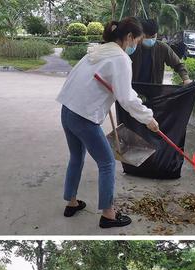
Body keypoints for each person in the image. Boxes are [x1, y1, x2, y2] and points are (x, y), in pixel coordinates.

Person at [57, 17, 159, 229]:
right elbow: (127, 98)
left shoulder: (97, 52)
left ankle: (72, 203)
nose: (135, 46)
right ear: (129, 37)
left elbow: (78, 80)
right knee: (107, 163)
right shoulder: (120, 58)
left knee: (76, 157)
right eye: (136, 42)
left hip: (67, 109)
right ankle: (108, 215)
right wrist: (148, 118)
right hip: (83, 117)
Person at [130, 19, 191, 85]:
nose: (150, 39)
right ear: (141, 35)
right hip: (133, 87)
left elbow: (178, 64)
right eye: (146, 37)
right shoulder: (133, 46)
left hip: (154, 88)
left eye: (153, 37)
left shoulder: (162, 48)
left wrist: (186, 79)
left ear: (157, 35)